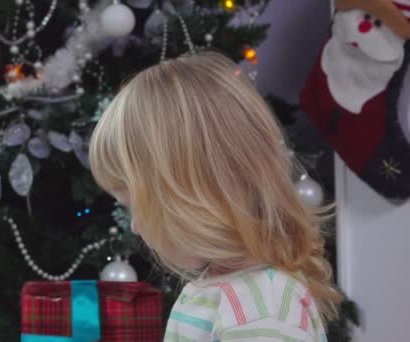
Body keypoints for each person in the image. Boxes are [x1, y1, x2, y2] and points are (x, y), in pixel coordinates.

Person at [89, 52, 342, 341]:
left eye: (135, 207)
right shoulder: (220, 291)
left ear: (190, 196)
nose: (134, 226)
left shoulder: (262, 309)